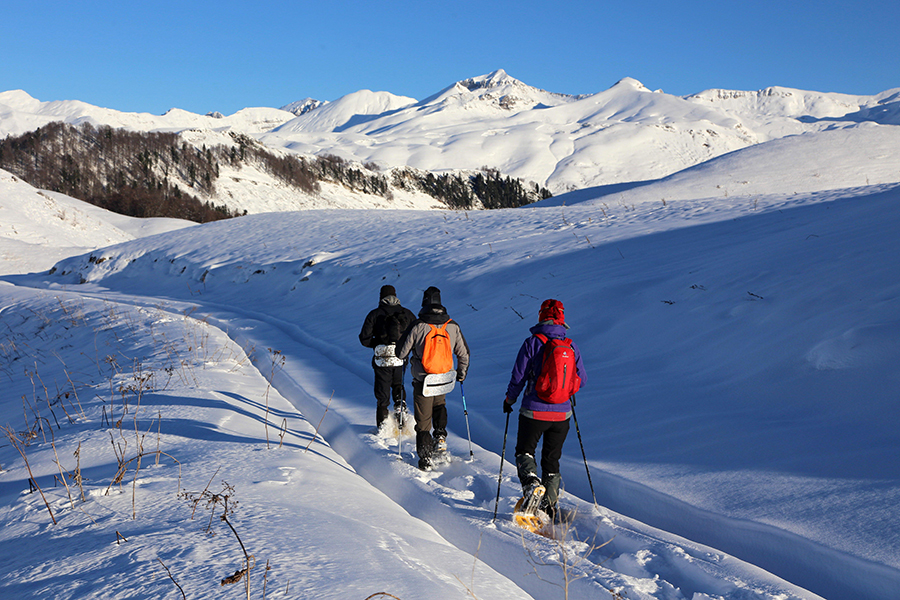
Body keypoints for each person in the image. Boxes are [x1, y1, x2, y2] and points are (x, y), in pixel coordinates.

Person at [503, 299, 586, 519]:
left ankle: (531, 484)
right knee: (551, 460)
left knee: (524, 452)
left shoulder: (532, 343)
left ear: (541, 316)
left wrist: (510, 399)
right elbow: (582, 379)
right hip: (562, 414)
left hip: (533, 411)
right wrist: (565, 390)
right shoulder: (571, 345)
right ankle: (547, 508)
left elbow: (518, 376)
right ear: (562, 318)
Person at [396, 286, 470, 470]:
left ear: (424, 302)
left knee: (423, 421)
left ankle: (425, 458)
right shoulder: (452, 326)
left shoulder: (418, 325)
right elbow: (464, 354)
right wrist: (461, 373)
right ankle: (441, 438)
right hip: (445, 378)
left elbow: (400, 353)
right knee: (440, 405)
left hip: (424, 380)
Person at [359, 285, 417, 428]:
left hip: (382, 358)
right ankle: (400, 407)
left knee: (382, 392)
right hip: (400, 357)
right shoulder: (407, 313)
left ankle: (383, 425)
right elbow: (415, 335)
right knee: (398, 384)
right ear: (396, 296)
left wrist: (377, 345)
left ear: (381, 297)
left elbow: (364, 338)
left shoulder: (374, 314)